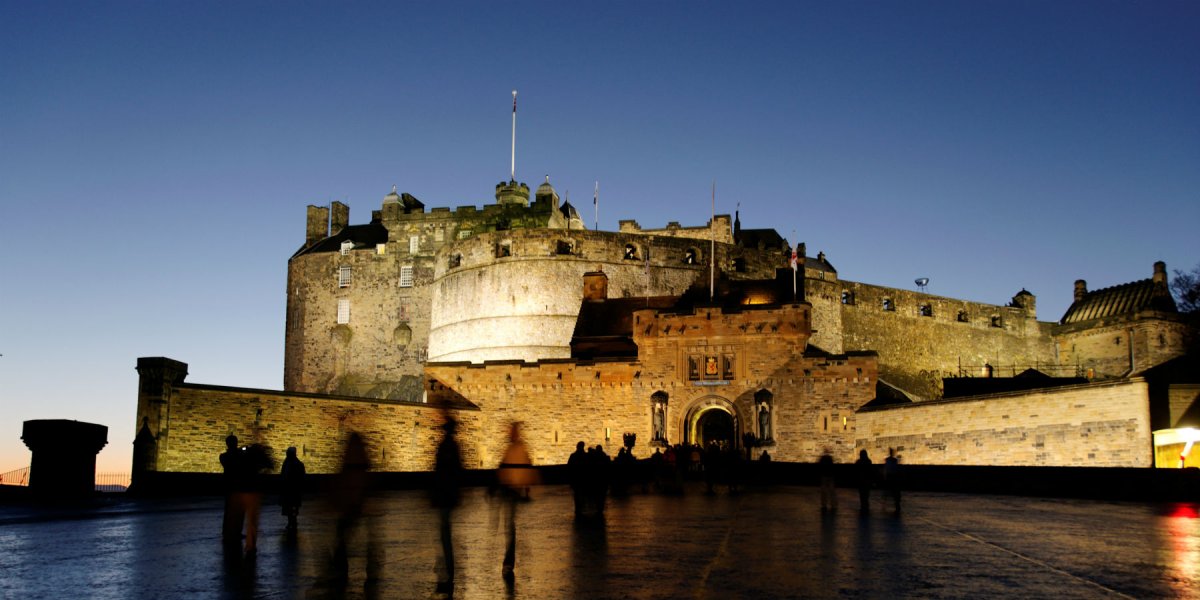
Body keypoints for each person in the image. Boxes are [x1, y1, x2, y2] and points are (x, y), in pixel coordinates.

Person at [497, 422, 538, 581]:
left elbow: (526, 466)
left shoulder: (518, 448)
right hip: (508, 490)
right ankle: (508, 562)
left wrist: (526, 487)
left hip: (513, 491)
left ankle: (508, 562)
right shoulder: (511, 448)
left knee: (510, 526)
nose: (509, 433)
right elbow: (504, 467)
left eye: (511, 430)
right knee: (509, 525)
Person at [432, 416, 463, 595]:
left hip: (446, 494)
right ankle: (448, 572)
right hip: (447, 494)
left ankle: (449, 574)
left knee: (445, 533)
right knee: (444, 532)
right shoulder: (450, 446)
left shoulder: (447, 447)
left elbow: (443, 470)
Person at [220, 435, 243, 547]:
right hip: (235, 485)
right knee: (235, 510)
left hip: (230, 486)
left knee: (230, 510)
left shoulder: (226, 456)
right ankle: (234, 531)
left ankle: (229, 531)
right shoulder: (227, 456)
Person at [280, 446, 305, 532]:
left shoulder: (291, 463)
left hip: (292, 489)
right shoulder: (292, 463)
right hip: (290, 489)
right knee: (291, 507)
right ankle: (291, 522)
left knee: (292, 507)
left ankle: (292, 522)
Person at [567, 441, 587, 516]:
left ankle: (578, 508)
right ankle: (581, 507)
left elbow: (569, 467)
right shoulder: (585, 456)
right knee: (582, 493)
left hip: (576, 478)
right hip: (583, 479)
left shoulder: (573, 456)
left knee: (577, 494)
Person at [883, 447, 901, 513]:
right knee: (893, 493)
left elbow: (886, 469)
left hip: (890, 477)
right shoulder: (894, 460)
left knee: (887, 493)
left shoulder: (888, 460)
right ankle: (896, 507)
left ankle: (885, 506)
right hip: (892, 477)